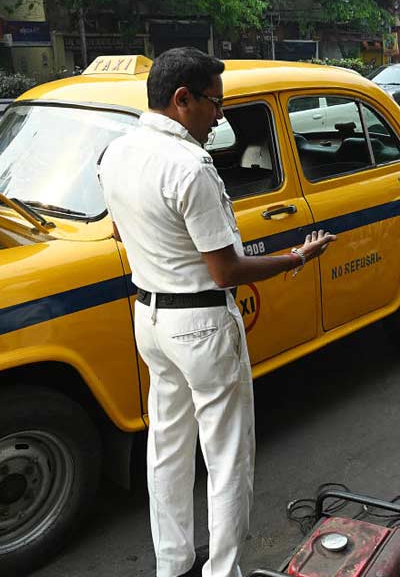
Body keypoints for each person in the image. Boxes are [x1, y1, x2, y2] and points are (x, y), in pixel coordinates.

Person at [98, 47, 336, 577]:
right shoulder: (190, 166)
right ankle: (222, 570)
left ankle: (174, 563)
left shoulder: (116, 153)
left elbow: (121, 230)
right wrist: (298, 256)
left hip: (151, 320)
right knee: (227, 458)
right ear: (182, 100)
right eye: (214, 102)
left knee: (166, 449)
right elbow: (226, 271)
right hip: (202, 325)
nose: (220, 114)